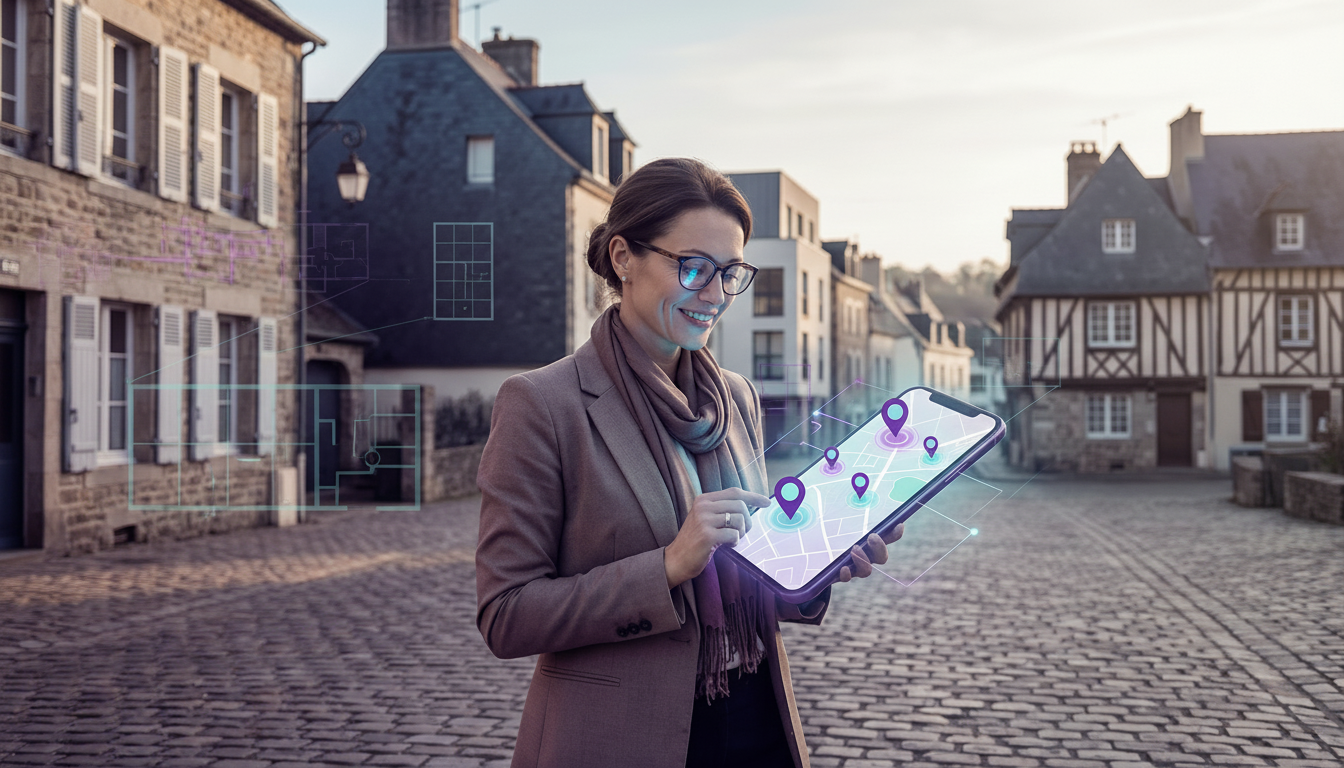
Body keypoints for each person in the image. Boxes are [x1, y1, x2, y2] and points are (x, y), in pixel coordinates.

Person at [475, 157, 902, 768]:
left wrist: (819, 563)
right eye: (694, 267)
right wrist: (670, 564)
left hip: (755, 719)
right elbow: (506, 614)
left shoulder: (736, 398)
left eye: (730, 272)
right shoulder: (542, 404)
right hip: (617, 737)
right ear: (623, 257)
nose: (716, 294)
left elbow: (755, 585)